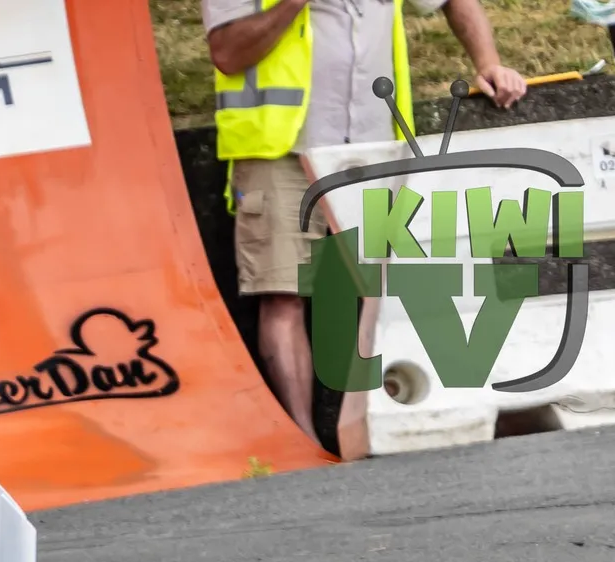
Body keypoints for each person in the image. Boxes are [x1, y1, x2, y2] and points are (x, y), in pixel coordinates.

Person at [207, 0, 527, 440]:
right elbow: (227, 52)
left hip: (375, 148)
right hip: (278, 148)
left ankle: (405, 420)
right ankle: (305, 444)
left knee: (399, 287)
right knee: (283, 292)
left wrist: (488, 62)